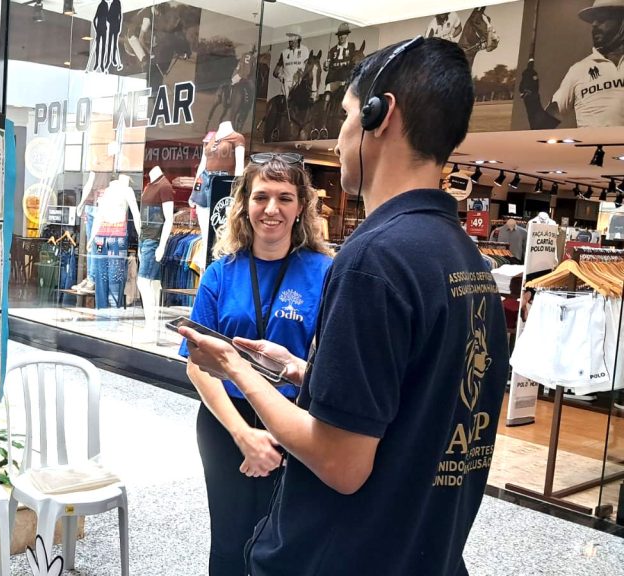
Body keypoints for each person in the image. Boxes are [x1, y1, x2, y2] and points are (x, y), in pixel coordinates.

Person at [181, 38, 510, 575]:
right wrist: (306, 372)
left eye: (348, 115)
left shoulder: (372, 261)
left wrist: (237, 367)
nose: (339, 137)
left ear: (382, 115)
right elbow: (415, 406)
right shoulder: (466, 259)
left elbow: (341, 463)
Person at [178, 154, 333, 576]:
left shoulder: (325, 273)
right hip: (225, 420)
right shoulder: (219, 273)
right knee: (228, 543)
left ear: (301, 205)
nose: (272, 209)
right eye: (261, 196)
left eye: (285, 197)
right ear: (244, 203)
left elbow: (331, 360)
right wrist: (242, 433)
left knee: (284, 545)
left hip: (295, 421)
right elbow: (197, 365)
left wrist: (297, 371)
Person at [522, 0, 624, 128]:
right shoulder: (578, 70)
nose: (594, 24)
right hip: (594, 148)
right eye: (593, 20)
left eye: (602, 18)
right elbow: (541, 126)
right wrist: (531, 96)